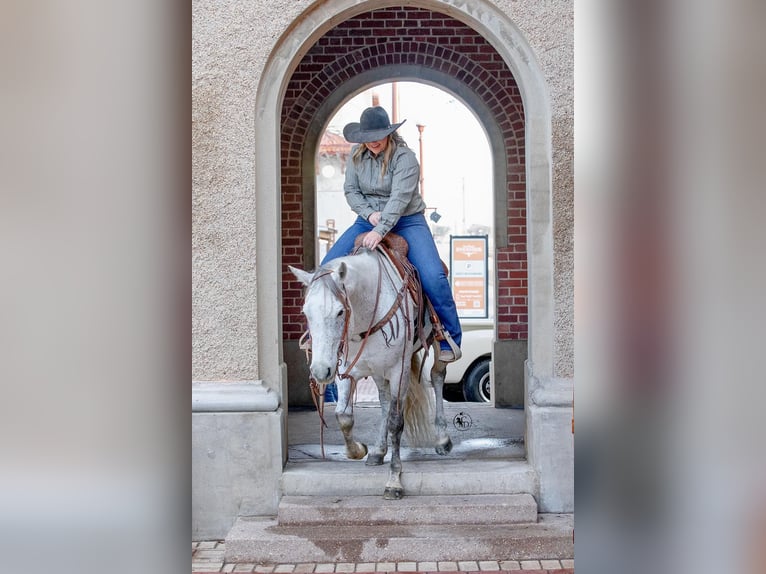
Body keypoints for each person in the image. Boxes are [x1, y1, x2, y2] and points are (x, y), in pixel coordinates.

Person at [322, 106, 462, 364]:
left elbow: (399, 199)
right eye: (369, 135)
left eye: (380, 134)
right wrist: (368, 215)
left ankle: (449, 335)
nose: (374, 140)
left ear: (389, 133)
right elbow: (351, 191)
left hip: (408, 221)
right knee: (325, 271)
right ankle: (322, 335)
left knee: (433, 276)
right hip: (368, 220)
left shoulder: (405, 158)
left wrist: (380, 228)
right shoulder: (356, 156)